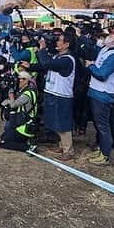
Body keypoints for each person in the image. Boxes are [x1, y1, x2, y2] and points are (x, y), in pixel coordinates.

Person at [85, 32, 114, 166]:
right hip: (95, 92)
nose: (107, 37)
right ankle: (101, 149)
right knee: (98, 124)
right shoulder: (106, 50)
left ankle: (105, 155)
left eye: (111, 36)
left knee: (103, 126)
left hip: (103, 95)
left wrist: (90, 66)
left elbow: (102, 74)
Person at [37, 31, 76, 161]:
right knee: (55, 122)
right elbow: (45, 66)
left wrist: (42, 50)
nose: (57, 42)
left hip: (62, 96)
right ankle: (62, 145)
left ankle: (68, 150)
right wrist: (29, 67)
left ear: (67, 44)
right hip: (53, 92)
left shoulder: (67, 60)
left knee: (63, 123)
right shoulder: (58, 56)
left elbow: (47, 63)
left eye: (60, 40)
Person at [0, 71, 38, 151]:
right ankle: (26, 141)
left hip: (24, 125)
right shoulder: (25, 90)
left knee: (3, 142)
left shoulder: (27, 93)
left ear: (26, 80)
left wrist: (11, 94)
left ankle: (28, 147)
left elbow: (13, 105)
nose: (19, 81)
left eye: (21, 79)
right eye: (19, 79)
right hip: (21, 122)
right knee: (3, 136)